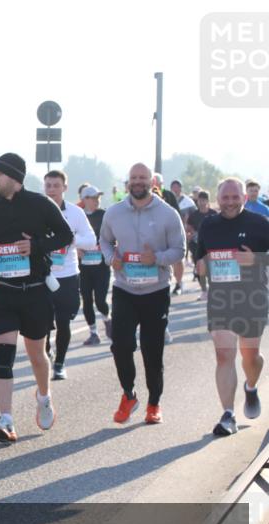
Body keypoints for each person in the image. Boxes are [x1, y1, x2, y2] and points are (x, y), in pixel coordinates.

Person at [0, 153, 72, 442]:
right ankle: (6, 420)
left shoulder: (40, 204)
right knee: (4, 357)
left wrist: (36, 245)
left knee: (36, 355)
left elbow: (65, 235)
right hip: (3, 291)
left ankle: (44, 397)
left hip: (34, 292)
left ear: (14, 178)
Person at [100, 163, 186, 425]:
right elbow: (104, 241)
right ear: (128, 182)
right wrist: (109, 257)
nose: (138, 182)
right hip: (124, 289)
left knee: (152, 349)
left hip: (155, 291)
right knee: (121, 345)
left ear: (151, 181)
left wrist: (157, 258)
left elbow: (179, 251)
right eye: (134, 178)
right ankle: (129, 395)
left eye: (143, 178)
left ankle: (154, 404)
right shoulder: (114, 213)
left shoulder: (168, 214)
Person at [194, 177, 269, 436]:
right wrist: (201, 266)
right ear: (218, 199)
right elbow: (200, 256)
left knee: (250, 357)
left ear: (243, 197)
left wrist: (256, 259)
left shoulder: (259, 224)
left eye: (235, 197)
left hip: (252, 298)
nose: (230, 202)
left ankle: (251, 387)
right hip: (221, 299)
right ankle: (228, 414)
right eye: (225, 198)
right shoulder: (209, 225)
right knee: (224, 355)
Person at [42, 170, 97, 379]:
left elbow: (91, 240)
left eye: (56, 185)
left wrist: (71, 240)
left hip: (67, 275)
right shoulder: (37, 210)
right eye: (48, 185)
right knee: (43, 323)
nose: (52, 189)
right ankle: (46, 352)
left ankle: (59, 364)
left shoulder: (75, 213)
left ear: (64, 188)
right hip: (42, 275)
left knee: (63, 321)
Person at [78, 186, 113, 344]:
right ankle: (93, 333)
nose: (97, 200)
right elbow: (68, 236)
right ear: (84, 199)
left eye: (98, 197)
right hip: (83, 266)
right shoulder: (78, 216)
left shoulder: (104, 215)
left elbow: (113, 237)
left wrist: (110, 246)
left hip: (101, 265)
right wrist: (76, 248)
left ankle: (107, 320)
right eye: (93, 198)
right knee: (86, 299)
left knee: (100, 300)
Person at [153, 173, 184, 296]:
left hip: (170, 231)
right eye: (153, 184)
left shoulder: (169, 195)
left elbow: (177, 214)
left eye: (158, 184)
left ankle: (179, 282)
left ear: (162, 184)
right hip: (154, 232)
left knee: (177, 257)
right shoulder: (146, 195)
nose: (156, 186)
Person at [186, 190, 217, 300]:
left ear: (208, 201)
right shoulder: (193, 215)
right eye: (200, 200)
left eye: (204, 200)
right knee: (199, 268)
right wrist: (190, 234)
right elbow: (188, 228)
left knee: (211, 269)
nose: (202, 202)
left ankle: (213, 289)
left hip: (212, 246)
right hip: (197, 246)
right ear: (197, 201)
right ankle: (204, 290)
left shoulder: (214, 214)